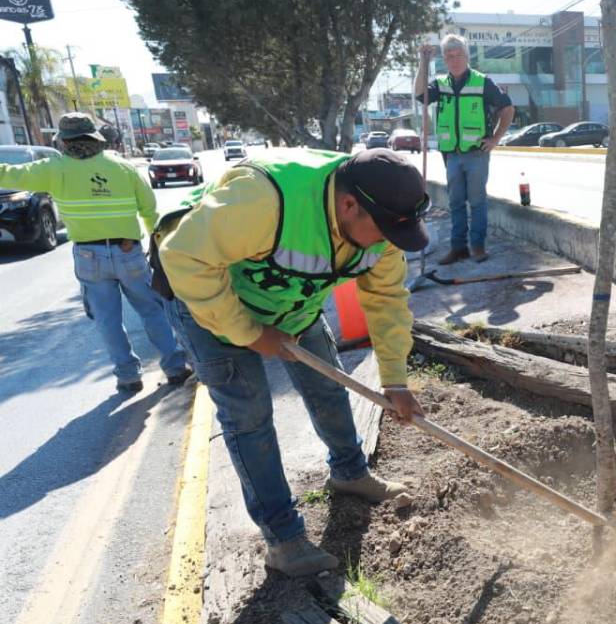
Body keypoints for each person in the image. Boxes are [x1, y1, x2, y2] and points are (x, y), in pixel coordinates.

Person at [157, 148, 427, 577]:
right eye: (380, 231)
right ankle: (283, 540)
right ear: (348, 204)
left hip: (291, 307)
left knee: (328, 385)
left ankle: (350, 472)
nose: (386, 242)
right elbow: (183, 257)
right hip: (209, 303)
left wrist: (395, 381)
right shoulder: (265, 199)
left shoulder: (383, 229)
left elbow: (387, 301)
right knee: (249, 417)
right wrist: (249, 334)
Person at [0, 112, 190, 392]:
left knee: (108, 320)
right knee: (152, 311)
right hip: (129, 251)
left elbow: (7, 173)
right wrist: (156, 242)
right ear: (95, 137)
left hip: (90, 257)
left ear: (63, 141)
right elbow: (149, 208)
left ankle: (128, 376)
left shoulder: (53, 169)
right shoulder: (122, 167)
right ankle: (175, 368)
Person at [415, 33, 515, 264]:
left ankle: (477, 246)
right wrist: (423, 62)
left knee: (477, 201)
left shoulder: (482, 82)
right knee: (455, 202)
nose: (453, 59)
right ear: (444, 59)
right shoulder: (441, 85)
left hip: (477, 153)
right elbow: (421, 94)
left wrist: (496, 138)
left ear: (466, 56)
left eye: (458, 54)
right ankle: (458, 247)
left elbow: (508, 109)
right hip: (451, 155)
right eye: (448, 56)